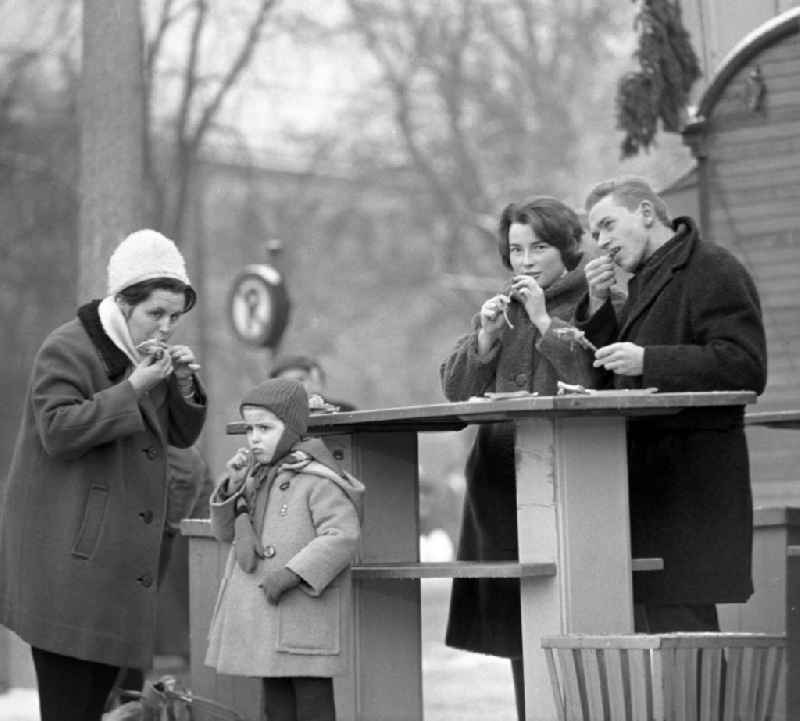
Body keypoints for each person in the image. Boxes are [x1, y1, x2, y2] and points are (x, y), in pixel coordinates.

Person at [0, 229, 207, 721]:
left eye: (174, 317)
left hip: (121, 579)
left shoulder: (143, 356)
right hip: (71, 573)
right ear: (123, 302)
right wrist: (134, 388)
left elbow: (179, 436)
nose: (165, 327)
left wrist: (182, 384)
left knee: (124, 714)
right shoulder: (67, 348)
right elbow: (58, 431)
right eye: (155, 313)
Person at [577, 176, 767, 633]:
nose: (601, 243)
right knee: (666, 638)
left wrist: (649, 360)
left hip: (693, 488)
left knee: (687, 638)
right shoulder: (647, 278)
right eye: (594, 234)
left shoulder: (713, 268)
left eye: (607, 225)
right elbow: (613, 374)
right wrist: (600, 308)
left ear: (646, 212)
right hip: (656, 488)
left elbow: (744, 365)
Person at [440, 197, 596, 721]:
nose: (525, 261)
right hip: (499, 482)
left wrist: (542, 320)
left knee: (564, 610)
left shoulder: (592, 300)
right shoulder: (500, 311)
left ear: (568, 249)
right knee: (517, 623)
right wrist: (483, 337)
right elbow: (455, 390)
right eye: (515, 250)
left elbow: (593, 374)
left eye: (539, 248)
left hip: (562, 479)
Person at [205, 378, 364, 721]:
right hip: (268, 620)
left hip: (303, 616)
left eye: (265, 427)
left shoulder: (318, 479)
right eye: (249, 429)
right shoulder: (255, 477)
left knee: (312, 706)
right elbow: (225, 532)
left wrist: (293, 574)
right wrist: (232, 486)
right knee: (276, 708)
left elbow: (342, 535)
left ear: (291, 428)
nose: (254, 437)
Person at [269, 354, 356, 411]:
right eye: (286, 383)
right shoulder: (269, 417)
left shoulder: (345, 411)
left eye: (300, 380)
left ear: (314, 380)